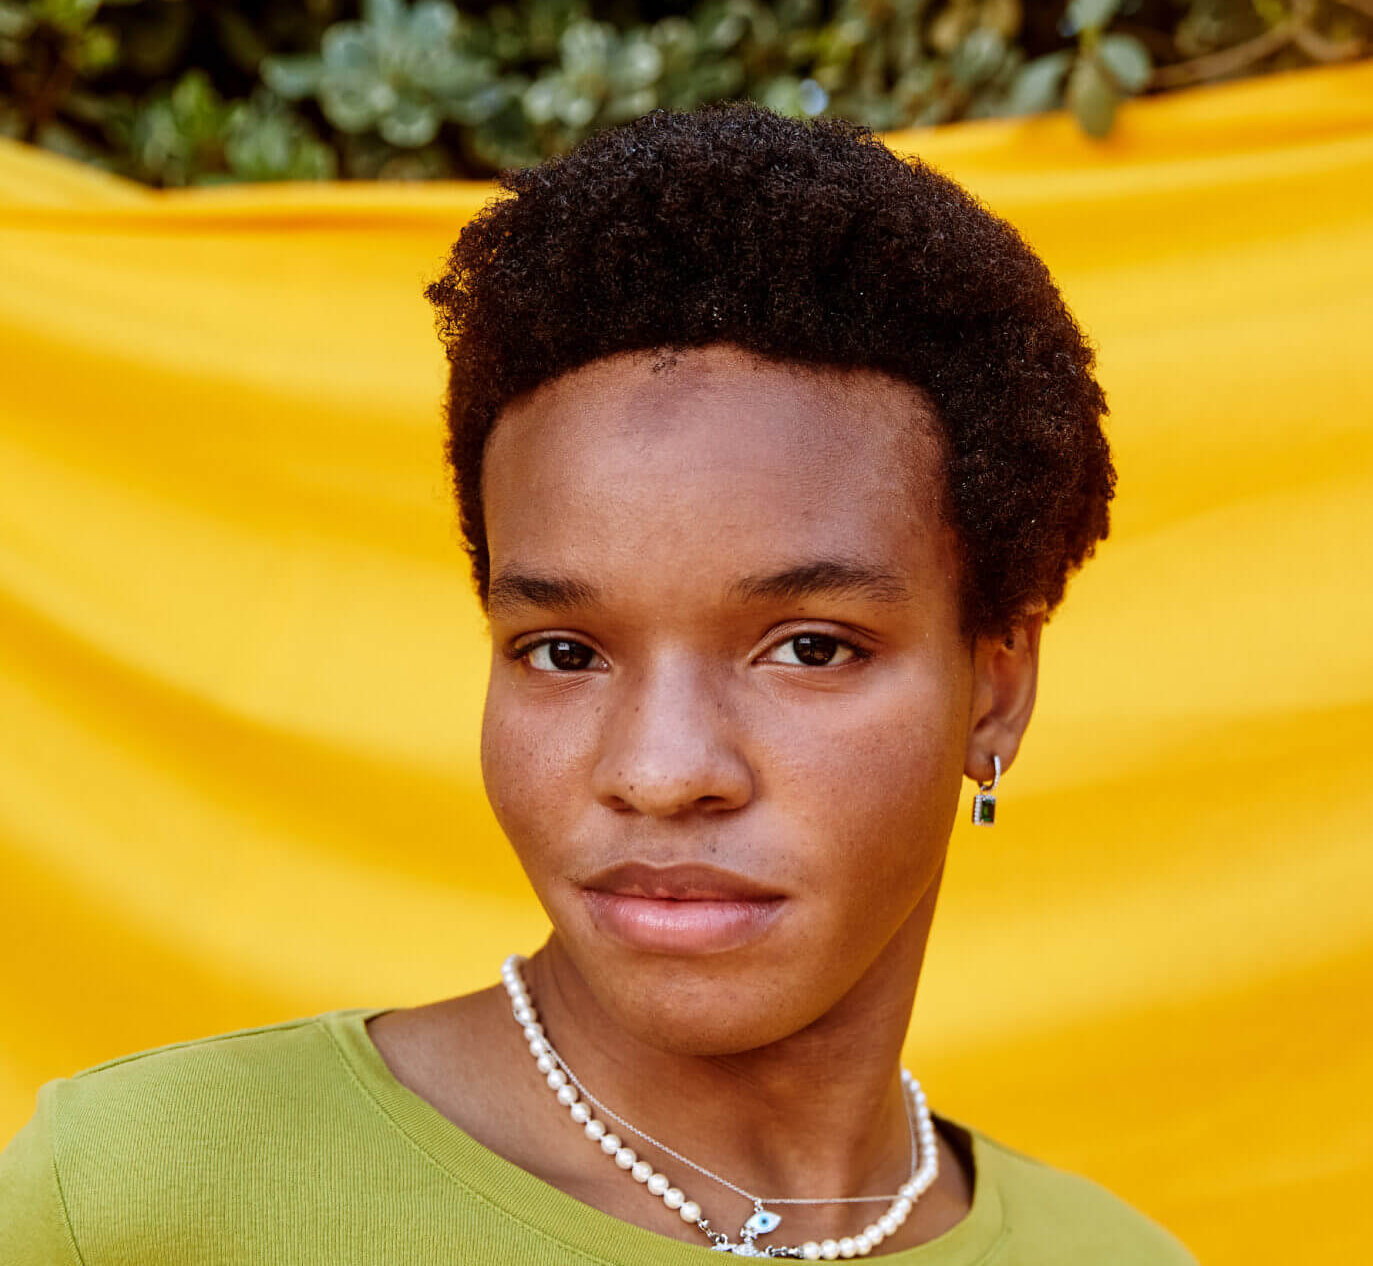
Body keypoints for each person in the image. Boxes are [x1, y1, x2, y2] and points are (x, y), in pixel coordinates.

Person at [0, 102, 1197, 1264]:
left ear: (996, 687)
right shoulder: (139, 1202)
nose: (663, 771)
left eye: (810, 646)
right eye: (564, 652)